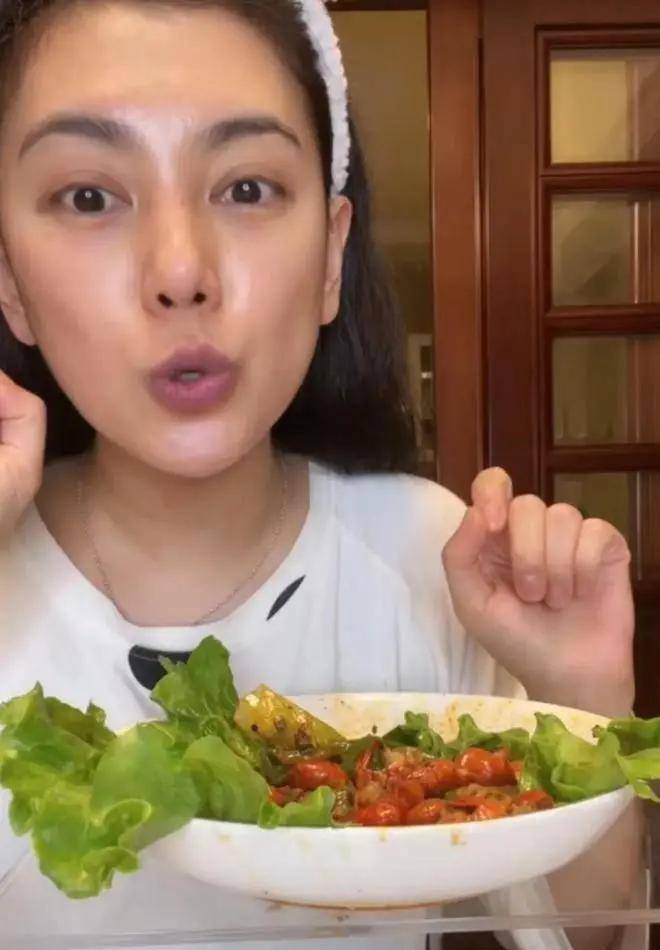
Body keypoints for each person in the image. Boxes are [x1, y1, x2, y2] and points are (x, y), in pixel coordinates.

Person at [0, 2, 641, 949]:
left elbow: (575, 932)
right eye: (89, 197)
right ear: (9, 279)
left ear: (332, 256)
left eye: (247, 188)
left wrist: (586, 700)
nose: (180, 272)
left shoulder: (429, 554)